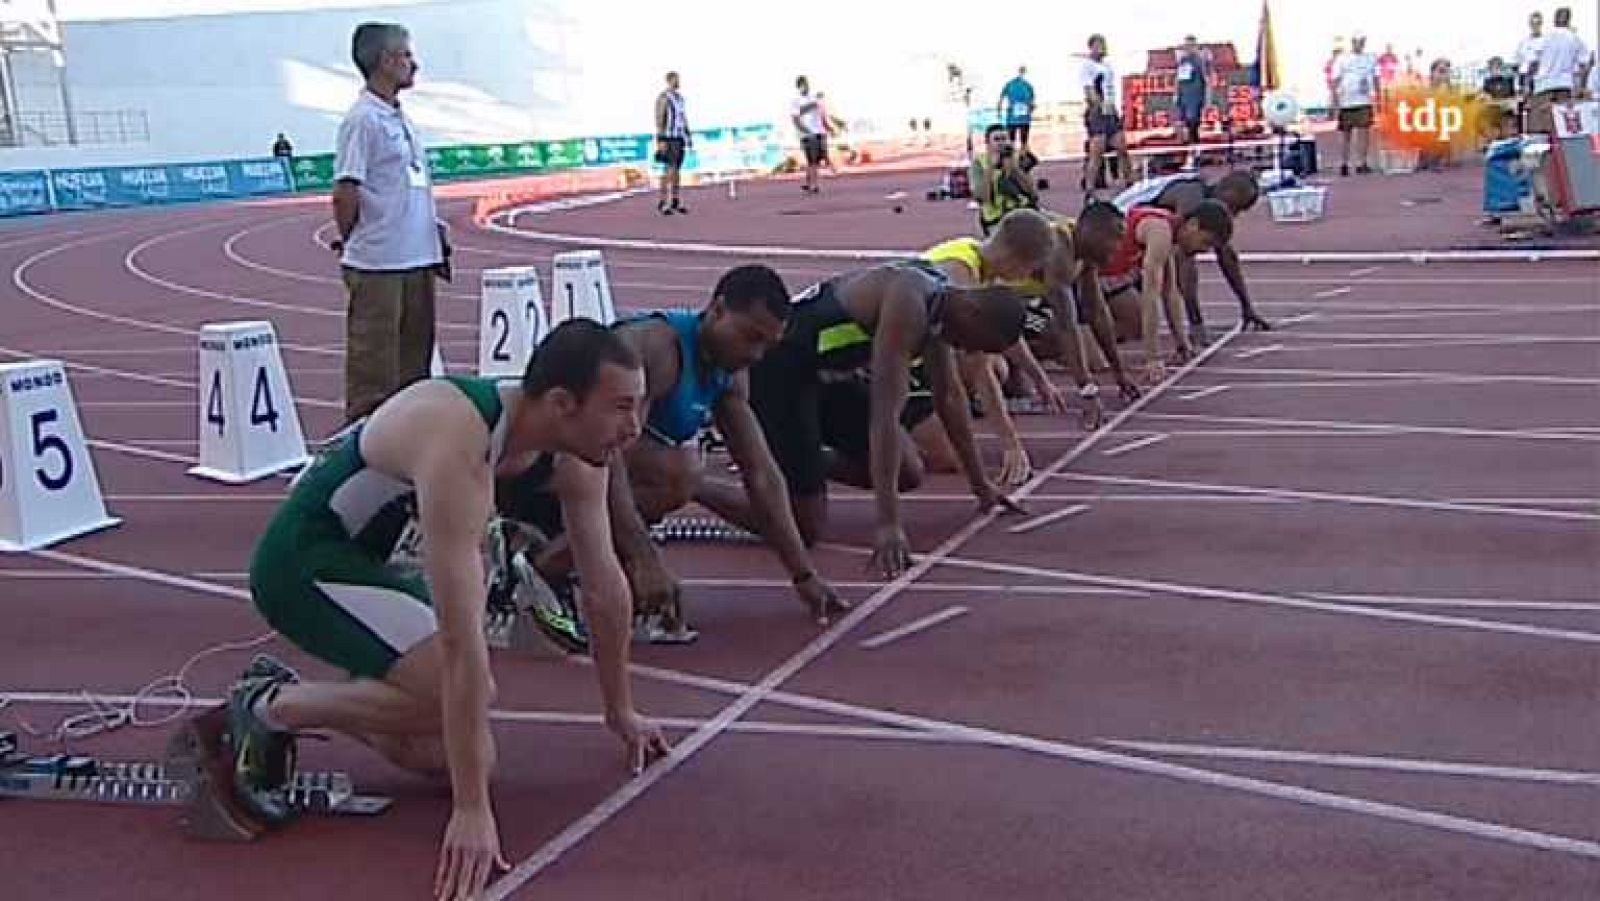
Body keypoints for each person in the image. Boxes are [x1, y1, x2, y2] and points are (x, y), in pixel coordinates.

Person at [176, 320, 669, 901]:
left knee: (456, 755)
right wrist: (471, 813)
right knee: (466, 696)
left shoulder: (578, 453)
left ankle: (338, 692)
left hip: (375, 571)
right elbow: (464, 644)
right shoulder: (459, 440)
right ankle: (271, 707)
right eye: (621, 409)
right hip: (303, 563)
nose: (634, 430)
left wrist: (622, 712)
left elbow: (604, 585)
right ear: (562, 403)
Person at [494, 266, 848, 652]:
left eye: (766, 345)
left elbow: (761, 473)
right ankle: (536, 572)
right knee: (676, 473)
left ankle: (559, 563)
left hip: (593, 469)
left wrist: (803, 575)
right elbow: (607, 457)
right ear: (717, 309)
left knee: (677, 473)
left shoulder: (730, 373)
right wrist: (644, 558)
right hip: (537, 461)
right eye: (750, 337)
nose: (754, 355)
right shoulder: (658, 350)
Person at [747, 211, 1057, 576]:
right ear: (971, 315)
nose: (965, 351)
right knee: (805, 528)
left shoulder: (945, 309)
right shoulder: (908, 301)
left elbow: (950, 398)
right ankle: (699, 487)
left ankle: (790, 464)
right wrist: (888, 525)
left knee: (908, 471)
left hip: (828, 375)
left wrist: (981, 486)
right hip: (781, 368)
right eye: (972, 344)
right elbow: (885, 416)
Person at [329, 22, 451, 425]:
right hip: (379, 263)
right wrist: (355, 240)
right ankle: (361, 460)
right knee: (373, 376)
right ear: (385, 61)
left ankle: (407, 452)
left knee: (414, 374)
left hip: (418, 258)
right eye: (407, 56)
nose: (414, 64)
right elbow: (346, 189)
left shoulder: (401, 117)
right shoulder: (362, 120)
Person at [1114, 170, 1269, 343]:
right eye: (1235, 208)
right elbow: (1183, 260)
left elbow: (1227, 256)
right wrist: (1196, 324)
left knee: (1138, 319)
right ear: (1226, 194)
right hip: (1116, 230)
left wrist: (1246, 306)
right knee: (1158, 282)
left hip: (1142, 241)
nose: (1234, 215)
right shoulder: (1191, 197)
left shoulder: (1210, 211)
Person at [1097, 201, 1233, 386]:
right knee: (1094, 362)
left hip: (1109, 282)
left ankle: (1093, 334)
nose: (1203, 250)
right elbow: (1150, 295)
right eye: (1205, 242)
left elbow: (1170, 292)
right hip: (1084, 279)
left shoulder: (1169, 233)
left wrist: (1182, 342)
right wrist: (1152, 358)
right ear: (1192, 224)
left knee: (1135, 325)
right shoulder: (1160, 231)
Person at [1527, 8, 1593, 134]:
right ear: (1569, 20)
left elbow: (1533, 63)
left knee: (1541, 127)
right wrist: (1581, 86)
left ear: (1554, 19)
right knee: (1562, 127)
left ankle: (1545, 152)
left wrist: (1528, 86)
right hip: (1564, 86)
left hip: (1543, 86)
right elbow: (1586, 63)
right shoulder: (1575, 38)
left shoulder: (1544, 38)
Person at [1081, 34, 1131, 194]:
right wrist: (1099, 105)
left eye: (1104, 45)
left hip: (1110, 111)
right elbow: (1089, 90)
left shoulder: (1108, 66)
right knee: (1097, 152)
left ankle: (1129, 181)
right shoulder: (1087, 67)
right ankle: (1090, 187)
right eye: (1099, 45)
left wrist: (1113, 109)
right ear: (1092, 47)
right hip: (1098, 113)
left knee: (1122, 148)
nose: (1102, 48)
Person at [971, 124, 1039, 235]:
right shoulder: (979, 163)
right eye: (997, 139)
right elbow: (983, 197)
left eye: (1004, 139)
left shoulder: (1018, 158)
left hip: (1024, 213)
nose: (1001, 143)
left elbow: (1032, 193)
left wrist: (1014, 170)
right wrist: (990, 169)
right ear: (988, 144)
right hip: (996, 219)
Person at [1330, 33, 1379, 176]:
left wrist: (1379, 97)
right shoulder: (1342, 59)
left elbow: (1376, 78)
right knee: (1345, 134)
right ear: (1352, 42)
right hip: (1346, 101)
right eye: (1357, 41)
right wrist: (1334, 100)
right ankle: (1343, 163)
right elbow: (1335, 80)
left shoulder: (1370, 58)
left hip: (1364, 100)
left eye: (1362, 41)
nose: (1359, 44)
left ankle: (1361, 163)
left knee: (1364, 132)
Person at [655, 71, 692, 215]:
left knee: (676, 170)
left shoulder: (680, 99)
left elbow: (683, 117)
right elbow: (659, 118)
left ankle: (675, 200)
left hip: (679, 137)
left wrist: (688, 135)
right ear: (670, 81)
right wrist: (661, 139)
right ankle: (663, 201)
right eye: (676, 79)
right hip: (668, 137)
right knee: (668, 170)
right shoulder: (664, 98)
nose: (678, 82)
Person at [1172, 36, 1211, 150]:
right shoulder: (1183, 61)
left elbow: (1206, 80)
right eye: (1186, 46)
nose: (1188, 48)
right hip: (1183, 97)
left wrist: (1207, 98)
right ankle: (1184, 149)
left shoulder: (1199, 61)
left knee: (1192, 123)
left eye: (1190, 46)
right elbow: (1178, 79)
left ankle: (1194, 149)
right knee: (1180, 123)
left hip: (1195, 98)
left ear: (1195, 47)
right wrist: (1176, 94)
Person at [792, 76, 829, 194]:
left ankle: (810, 184)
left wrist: (826, 126)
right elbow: (796, 116)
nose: (805, 86)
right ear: (798, 87)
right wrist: (805, 131)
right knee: (811, 160)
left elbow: (822, 113)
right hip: (807, 134)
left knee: (814, 161)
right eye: (802, 85)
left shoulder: (814, 98)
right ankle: (814, 185)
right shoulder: (796, 101)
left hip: (818, 132)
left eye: (806, 84)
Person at [998, 66, 1036, 153]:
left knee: (1019, 142)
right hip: (1017, 118)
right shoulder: (1026, 85)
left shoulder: (1026, 85)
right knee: (1017, 142)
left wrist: (999, 112)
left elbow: (1001, 98)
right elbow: (1032, 103)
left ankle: (1019, 159)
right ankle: (1018, 159)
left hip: (1019, 118)